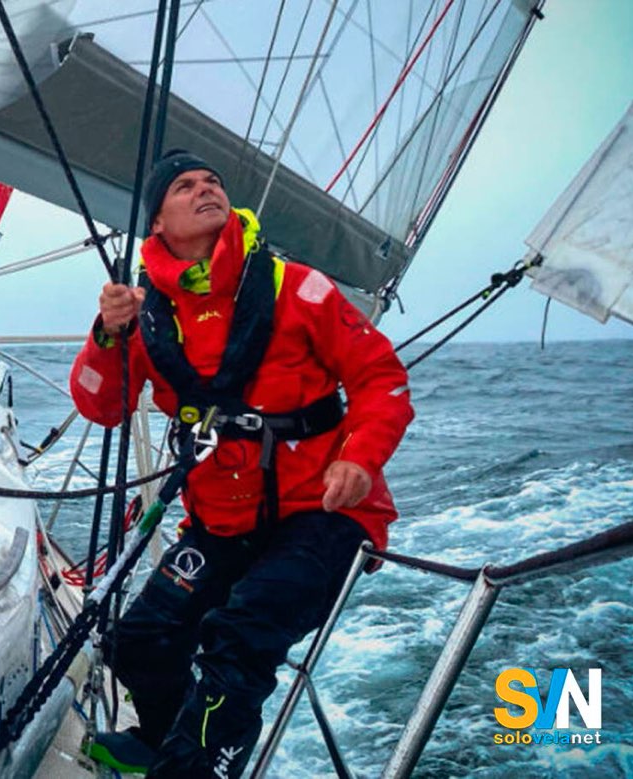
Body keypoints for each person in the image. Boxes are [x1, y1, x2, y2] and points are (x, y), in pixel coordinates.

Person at [70, 150, 414, 778]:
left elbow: (381, 378)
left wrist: (360, 459)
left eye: (212, 183)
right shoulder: (146, 315)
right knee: (141, 638)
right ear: (157, 226)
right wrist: (106, 334)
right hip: (222, 522)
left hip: (323, 514)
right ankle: (158, 745)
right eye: (184, 186)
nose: (205, 190)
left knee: (242, 632)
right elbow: (101, 407)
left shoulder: (296, 287)